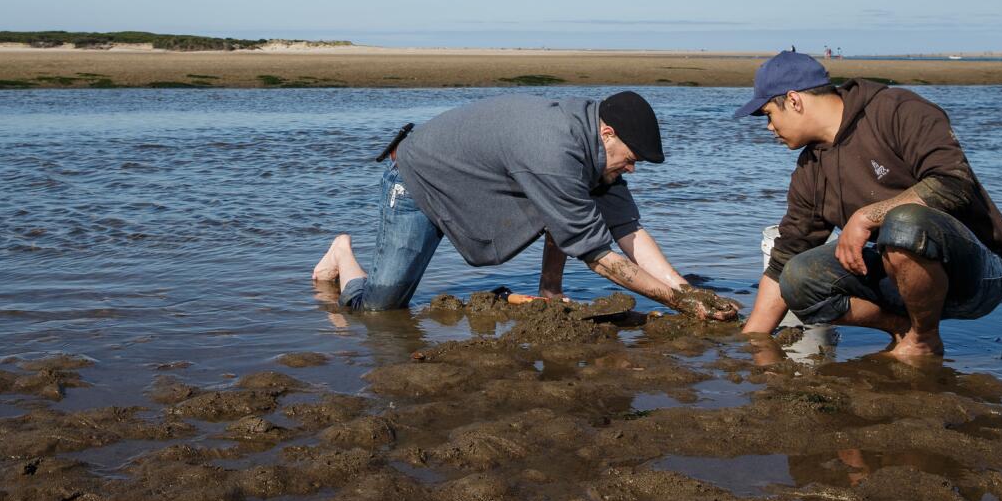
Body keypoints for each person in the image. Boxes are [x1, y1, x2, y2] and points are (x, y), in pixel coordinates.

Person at [312, 91, 737, 320]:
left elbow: (625, 229)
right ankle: (342, 252)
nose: (633, 169)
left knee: (569, 206)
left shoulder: (594, 150)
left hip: (472, 181)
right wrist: (677, 303)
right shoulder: (555, 152)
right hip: (419, 179)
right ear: (607, 132)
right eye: (632, 159)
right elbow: (598, 254)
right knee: (377, 310)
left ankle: (549, 291)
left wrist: (687, 289)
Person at [735, 52, 1002, 359]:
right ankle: (905, 329)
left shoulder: (898, 110)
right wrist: (750, 344)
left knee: (904, 222)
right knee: (798, 276)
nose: (769, 128)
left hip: (977, 275)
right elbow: (784, 260)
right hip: (900, 275)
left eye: (768, 114)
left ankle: (924, 340)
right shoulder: (810, 169)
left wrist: (867, 216)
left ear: (794, 100)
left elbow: (954, 183)